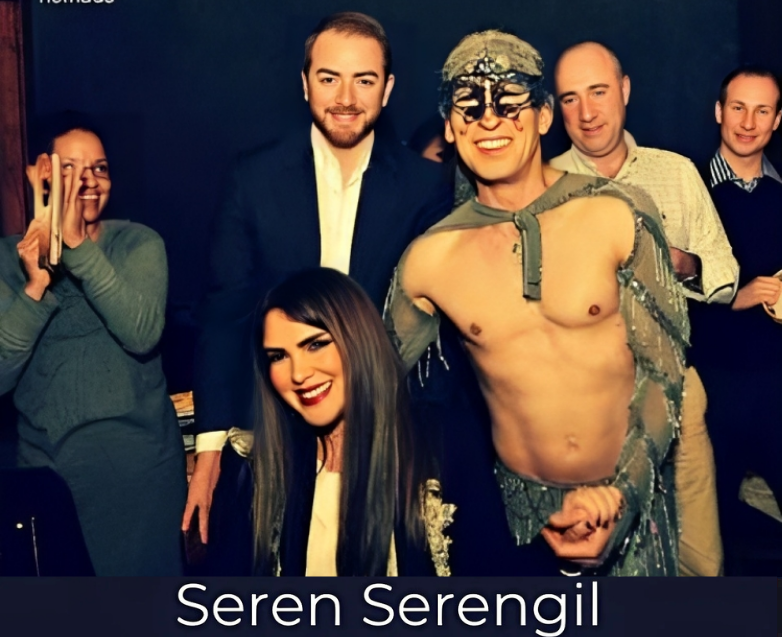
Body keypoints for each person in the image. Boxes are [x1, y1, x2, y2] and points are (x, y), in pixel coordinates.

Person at [386, 30, 689, 575]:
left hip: (633, 498)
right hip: (519, 518)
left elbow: (665, 373)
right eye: (470, 108)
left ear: (545, 115)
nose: (490, 121)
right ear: (450, 126)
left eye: (509, 103)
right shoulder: (429, 260)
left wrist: (624, 495)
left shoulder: (617, 213)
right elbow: (369, 382)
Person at [185, 11, 452, 544]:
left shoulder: (426, 187)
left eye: (364, 80)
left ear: (388, 89)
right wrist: (209, 448)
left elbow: (439, 326)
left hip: (389, 433)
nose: (346, 98)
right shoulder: (253, 178)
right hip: (279, 425)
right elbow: (225, 313)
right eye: (330, 78)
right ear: (305, 83)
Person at [548, 41, 736, 576]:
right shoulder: (541, 185)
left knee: (700, 561)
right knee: (605, 563)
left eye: (599, 92)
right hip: (585, 406)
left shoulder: (675, 173)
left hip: (676, 390)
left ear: (625, 90)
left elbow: (725, 275)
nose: (587, 112)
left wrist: (678, 261)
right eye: (571, 98)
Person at [0, 124, 186, 575]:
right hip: (47, 479)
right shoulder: (7, 259)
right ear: (43, 175)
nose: (88, 180)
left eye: (99, 168)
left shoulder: (138, 243)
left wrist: (77, 245)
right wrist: (36, 285)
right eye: (70, 168)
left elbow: (141, 333)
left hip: (139, 479)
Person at [206, 268, 446, 575]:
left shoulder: (441, 452)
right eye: (278, 356)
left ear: (358, 340)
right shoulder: (252, 468)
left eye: (315, 345)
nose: (298, 373)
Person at [693, 66, 782, 574]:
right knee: (713, 537)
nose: (748, 122)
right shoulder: (690, 191)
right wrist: (733, 296)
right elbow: (660, 292)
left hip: (776, 386)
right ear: (719, 112)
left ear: (777, 120)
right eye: (739, 108)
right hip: (713, 387)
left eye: (762, 110)